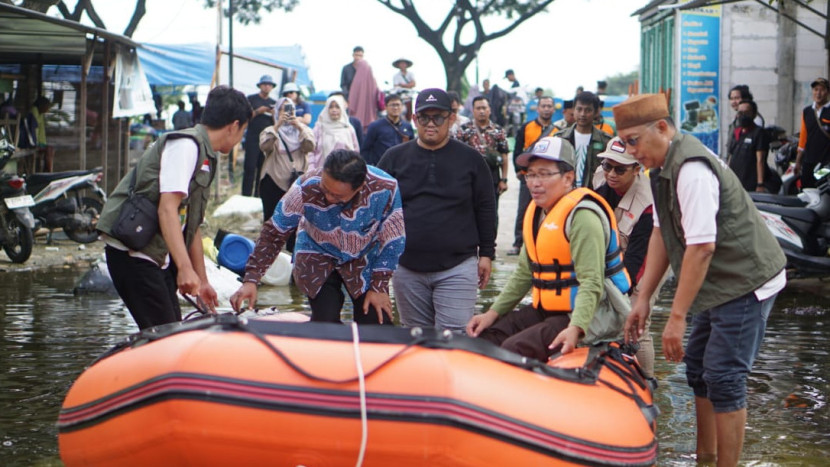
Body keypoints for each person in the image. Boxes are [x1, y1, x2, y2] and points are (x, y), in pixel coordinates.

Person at [616, 94, 786, 466]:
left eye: (633, 141)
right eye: (624, 142)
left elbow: (702, 247)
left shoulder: (691, 168)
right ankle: (705, 457)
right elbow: (661, 234)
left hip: (746, 278)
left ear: (661, 128)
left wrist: (676, 318)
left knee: (724, 376)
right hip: (715, 278)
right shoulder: (659, 170)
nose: (630, 152)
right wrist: (643, 298)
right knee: (698, 369)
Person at [97, 85, 252, 330]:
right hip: (134, 253)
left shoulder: (205, 155)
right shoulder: (186, 146)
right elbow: (167, 210)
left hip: (156, 255)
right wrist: (184, 269)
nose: (241, 137)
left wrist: (201, 281)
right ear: (234, 126)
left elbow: (192, 224)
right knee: (166, 336)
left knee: (171, 331)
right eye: (243, 131)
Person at [466, 136, 631, 361]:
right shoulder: (536, 212)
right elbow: (524, 273)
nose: (535, 182)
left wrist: (577, 327)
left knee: (514, 348)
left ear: (568, 178)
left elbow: (591, 282)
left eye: (544, 174)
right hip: (547, 308)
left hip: (587, 314)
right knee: (485, 337)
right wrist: (492, 313)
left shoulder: (582, 217)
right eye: (531, 174)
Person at [230, 149, 406, 325]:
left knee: (375, 319)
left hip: (363, 259)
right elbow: (274, 232)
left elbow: (394, 240)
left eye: (337, 196)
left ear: (359, 188)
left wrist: (379, 285)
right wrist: (251, 278)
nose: (328, 198)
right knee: (325, 320)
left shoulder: (386, 189)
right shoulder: (305, 186)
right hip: (317, 255)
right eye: (325, 190)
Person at [377, 88, 496, 333]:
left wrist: (486, 253)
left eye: (438, 118)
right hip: (406, 265)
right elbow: (376, 209)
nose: (431, 124)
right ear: (414, 119)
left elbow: (486, 207)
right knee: (415, 338)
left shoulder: (471, 159)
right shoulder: (393, 158)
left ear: (451, 118)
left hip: (458, 265)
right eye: (424, 118)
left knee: (454, 338)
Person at [591, 136, 656, 377]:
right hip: (614, 252)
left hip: (648, 260)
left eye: (620, 168)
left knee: (637, 323)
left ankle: (648, 382)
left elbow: (637, 263)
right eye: (607, 165)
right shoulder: (600, 178)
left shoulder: (647, 204)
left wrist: (621, 293)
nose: (611, 173)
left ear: (637, 169)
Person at [508, 95, 556, 256]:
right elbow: (517, 149)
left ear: (554, 109)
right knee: (523, 209)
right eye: (543, 106)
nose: (546, 109)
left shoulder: (558, 131)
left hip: (548, 178)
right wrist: (518, 170)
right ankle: (518, 242)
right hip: (527, 176)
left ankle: (540, 244)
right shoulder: (527, 127)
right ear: (538, 108)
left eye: (549, 106)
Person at [258, 97, 315, 227]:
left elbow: (310, 146)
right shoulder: (270, 130)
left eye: (290, 109)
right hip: (273, 180)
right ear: (277, 111)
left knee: (295, 221)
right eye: (283, 109)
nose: (287, 113)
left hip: (296, 183)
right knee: (271, 219)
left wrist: (299, 126)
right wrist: (277, 125)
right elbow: (264, 146)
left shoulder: (303, 130)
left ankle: (290, 247)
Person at [455, 96, 510, 230]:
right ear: (472, 110)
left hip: (492, 177)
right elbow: (456, 155)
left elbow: (504, 155)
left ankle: (490, 246)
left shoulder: (498, 131)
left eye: (484, 108)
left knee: (491, 212)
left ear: (489, 110)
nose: (481, 111)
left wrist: (504, 179)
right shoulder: (464, 130)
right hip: (469, 178)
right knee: (469, 211)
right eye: (478, 108)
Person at [555, 91, 611, 189]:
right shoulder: (560, 138)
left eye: (588, 110)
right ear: (573, 110)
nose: (583, 114)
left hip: (592, 195)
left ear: (596, 112)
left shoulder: (605, 141)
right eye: (579, 109)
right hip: (565, 194)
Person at [727, 99, 774, 193]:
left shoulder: (759, 133)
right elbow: (730, 157)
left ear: (754, 114)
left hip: (750, 183)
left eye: (746, 113)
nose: (743, 116)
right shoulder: (737, 133)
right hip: (736, 182)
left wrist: (760, 184)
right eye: (740, 113)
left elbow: (760, 159)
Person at [242, 74, 277, 197]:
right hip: (252, 137)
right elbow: (244, 116)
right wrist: (258, 111)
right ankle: (245, 195)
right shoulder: (251, 99)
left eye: (269, 85)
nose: (267, 87)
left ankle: (258, 196)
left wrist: (273, 114)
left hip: (267, 140)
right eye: (265, 84)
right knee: (250, 168)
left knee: (262, 170)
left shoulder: (274, 103)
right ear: (260, 85)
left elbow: (277, 123)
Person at [795, 77, 830, 189]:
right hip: (809, 161)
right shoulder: (807, 111)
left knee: (822, 189)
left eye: (822, 90)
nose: (818, 93)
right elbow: (803, 139)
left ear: (827, 92)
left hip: (826, 162)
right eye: (816, 89)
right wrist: (798, 162)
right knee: (807, 189)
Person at [361, 93, 414, 166]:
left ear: (402, 107)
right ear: (385, 107)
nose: (395, 108)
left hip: (402, 167)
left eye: (398, 105)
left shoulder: (407, 126)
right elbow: (365, 149)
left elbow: (412, 148)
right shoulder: (375, 126)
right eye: (392, 105)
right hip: (382, 168)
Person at [311, 94, 360, 170]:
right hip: (322, 172)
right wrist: (312, 169)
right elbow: (311, 151)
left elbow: (356, 152)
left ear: (342, 109)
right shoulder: (319, 128)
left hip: (344, 173)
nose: (334, 110)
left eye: (337, 107)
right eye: (331, 107)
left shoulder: (348, 128)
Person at [348, 58, 381, 131]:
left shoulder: (356, 81)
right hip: (371, 114)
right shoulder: (373, 81)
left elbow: (352, 99)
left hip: (357, 114)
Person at [26, 96, 54, 172]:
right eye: (47, 106)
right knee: (48, 150)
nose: (48, 109)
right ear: (41, 105)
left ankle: (48, 170)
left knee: (50, 149)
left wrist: (42, 144)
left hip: (38, 142)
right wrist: (36, 144)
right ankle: (48, 172)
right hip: (31, 143)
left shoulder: (40, 114)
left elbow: (41, 132)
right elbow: (32, 130)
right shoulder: (33, 112)